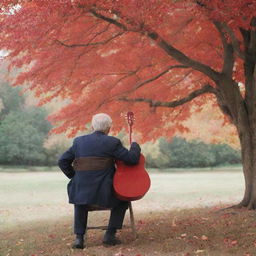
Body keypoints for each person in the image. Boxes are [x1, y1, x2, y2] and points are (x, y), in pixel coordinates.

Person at [58, 113, 141, 249]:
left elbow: (62, 161)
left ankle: (79, 238)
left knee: (81, 200)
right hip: (105, 195)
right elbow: (132, 159)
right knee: (123, 200)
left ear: (92, 127)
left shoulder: (79, 142)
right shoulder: (112, 142)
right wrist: (135, 145)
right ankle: (110, 234)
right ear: (109, 128)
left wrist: (74, 176)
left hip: (81, 193)